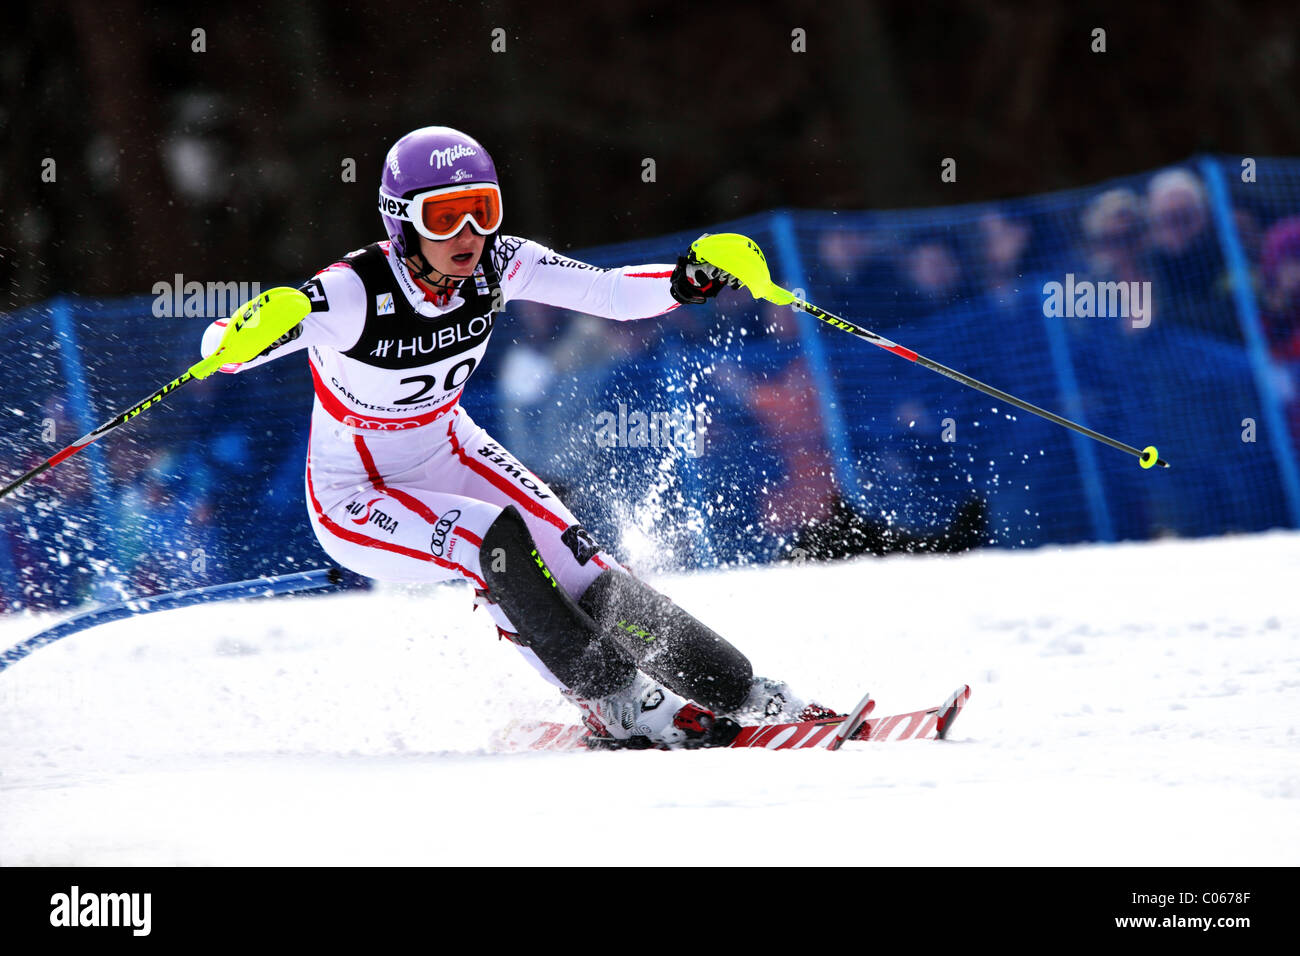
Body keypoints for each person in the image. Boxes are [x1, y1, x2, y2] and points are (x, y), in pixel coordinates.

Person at [199, 126, 821, 749]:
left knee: (582, 566)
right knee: (488, 540)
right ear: (401, 223)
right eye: (444, 217)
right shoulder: (352, 292)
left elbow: (606, 293)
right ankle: (615, 700)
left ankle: (737, 688)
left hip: (447, 450)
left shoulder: (500, 262)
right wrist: (244, 332)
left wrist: (687, 280)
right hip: (356, 495)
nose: (467, 234)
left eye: (482, 210)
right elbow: (220, 351)